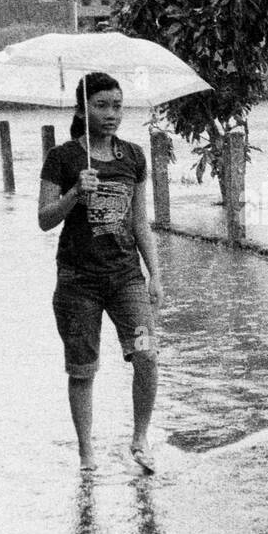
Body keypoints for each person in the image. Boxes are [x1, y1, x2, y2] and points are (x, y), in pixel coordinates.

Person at [38, 72, 164, 473]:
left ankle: (140, 438)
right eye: (102, 105)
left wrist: (155, 274)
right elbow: (43, 219)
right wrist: (75, 193)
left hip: (127, 278)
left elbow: (141, 222)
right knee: (82, 368)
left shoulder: (134, 156)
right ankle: (85, 451)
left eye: (117, 106)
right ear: (82, 109)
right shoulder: (63, 158)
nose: (112, 114)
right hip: (78, 282)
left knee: (146, 355)